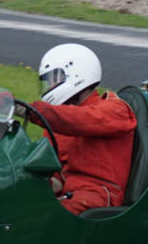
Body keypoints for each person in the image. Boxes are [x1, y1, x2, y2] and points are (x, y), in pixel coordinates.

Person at [26, 43, 137, 214]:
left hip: (99, 195)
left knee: (48, 217)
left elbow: (82, 120)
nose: (50, 86)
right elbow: (54, 167)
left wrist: (33, 111)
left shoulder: (115, 110)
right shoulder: (57, 121)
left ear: (77, 74)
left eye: (54, 79)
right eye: (48, 82)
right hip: (69, 192)